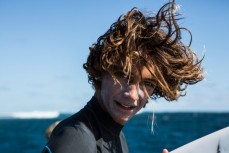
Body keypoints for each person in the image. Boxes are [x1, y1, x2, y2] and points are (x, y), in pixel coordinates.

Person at [42, 1, 204, 153]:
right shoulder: (77, 140)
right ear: (101, 71)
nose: (132, 94)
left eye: (147, 83)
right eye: (123, 76)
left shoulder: (116, 136)